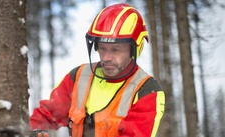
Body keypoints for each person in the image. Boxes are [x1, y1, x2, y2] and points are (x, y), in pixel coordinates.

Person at [29, 3, 165, 137]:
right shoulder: (78, 76)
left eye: (115, 49)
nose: (106, 57)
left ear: (134, 49)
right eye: (102, 48)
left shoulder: (147, 92)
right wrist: (31, 131)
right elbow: (47, 114)